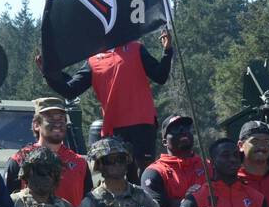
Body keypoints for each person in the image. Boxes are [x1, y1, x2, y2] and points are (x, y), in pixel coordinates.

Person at [39, 29, 173, 169]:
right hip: (114, 129)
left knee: (144, 174)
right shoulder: (93, 60)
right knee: (119, 176)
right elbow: (70, 90)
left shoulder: (135, 48)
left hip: (142, 125)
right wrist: (49, 73)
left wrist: (167, 50)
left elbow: (160, 76)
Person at [5, 97, 92, 204]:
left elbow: (88, 206)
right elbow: (6, 204)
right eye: (50, 119)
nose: (57, 123)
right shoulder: (20, 160)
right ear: (36, 125)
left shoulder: (80, 163)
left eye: (61, 119)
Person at [141, 115, 209, 207]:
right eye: (175, 129)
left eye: (187, 128)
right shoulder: (154, 172)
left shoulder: (208, 166)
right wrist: (190, 201)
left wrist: (177, 202)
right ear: (164, 142)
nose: (183, 131)